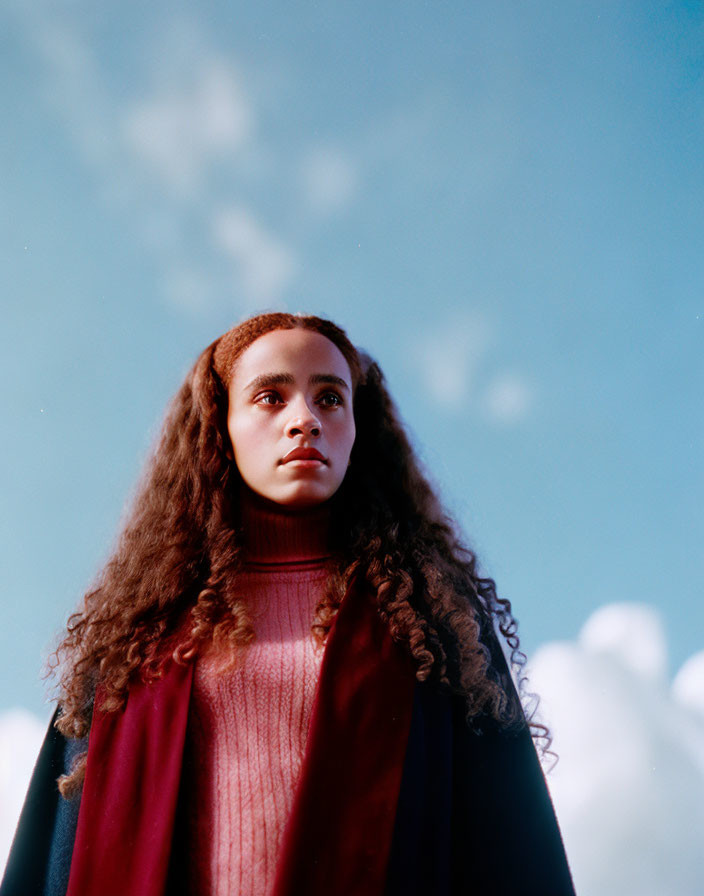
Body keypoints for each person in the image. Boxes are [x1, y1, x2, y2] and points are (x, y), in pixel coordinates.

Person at [2, 312, 575, 896]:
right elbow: (59, 853)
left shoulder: (433, 624)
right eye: (270, 397)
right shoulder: (136, 635)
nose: (305, 420)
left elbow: (509, 852)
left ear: (359, 427)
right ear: (220, 425)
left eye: (330, 398)